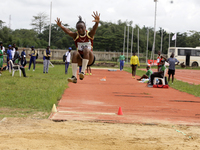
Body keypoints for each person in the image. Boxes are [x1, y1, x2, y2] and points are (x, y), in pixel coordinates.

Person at [55, 11, 100, 83]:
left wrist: (97, 22)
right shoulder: (76, 35)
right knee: (75, 53)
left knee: (86, 49)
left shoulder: (89, 34)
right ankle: (74, 77)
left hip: (90, 58)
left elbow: (94, 29)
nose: (80, 30)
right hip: (80, 59)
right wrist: (61, 26)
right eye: (78, 29)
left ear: (85, 27)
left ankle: (82, 72)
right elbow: (68, 32)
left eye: (82, 28)